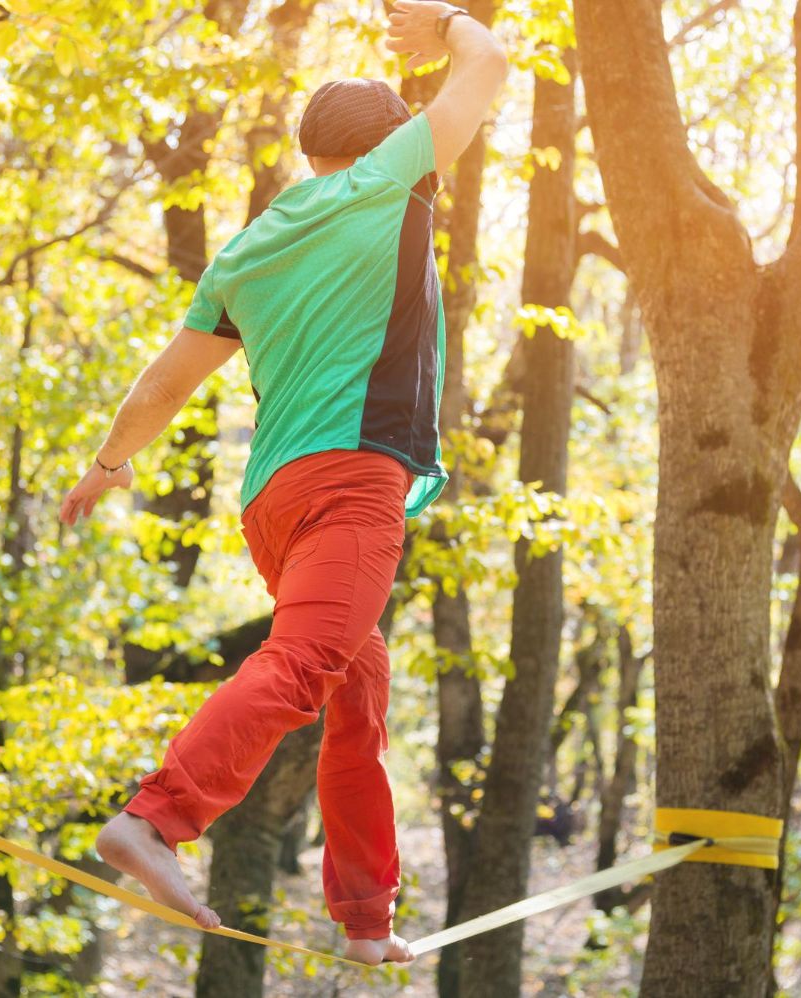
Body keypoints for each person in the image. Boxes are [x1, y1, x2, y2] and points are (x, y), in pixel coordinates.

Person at [56, 0, 508, 967]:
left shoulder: (248, 249)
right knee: (308, 669)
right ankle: (155, 818)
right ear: (391, 142)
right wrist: (447, 24)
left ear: (307, 150)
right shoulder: (392, 181)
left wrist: (107, 467)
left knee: (357, 692)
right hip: (351, 484)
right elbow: (491, 65)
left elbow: (164, 384)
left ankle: (365, 922)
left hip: (274, 507)